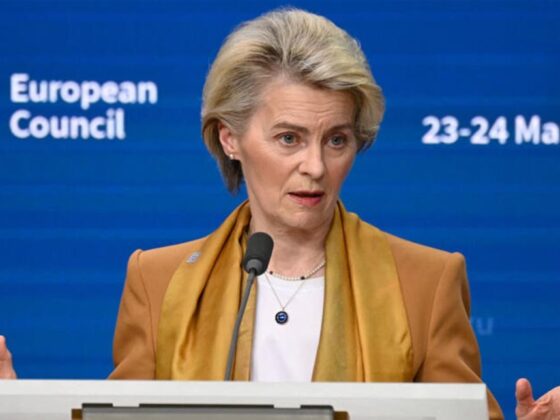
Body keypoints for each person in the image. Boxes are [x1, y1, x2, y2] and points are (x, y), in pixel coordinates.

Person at [1, 8, 558, 420]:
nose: (315, 166)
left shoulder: (428, 281)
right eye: (289, 138)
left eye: (336, 140)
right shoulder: (158, 280)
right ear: (230, 138)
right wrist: (16, 406)